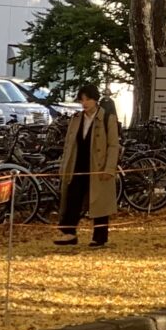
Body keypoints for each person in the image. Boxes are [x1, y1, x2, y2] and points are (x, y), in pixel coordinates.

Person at [54, 86, 120, 247]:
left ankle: (100, 237)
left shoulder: (107, 118)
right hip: (77, 164)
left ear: (95, 99)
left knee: (100, 201)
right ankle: (68, 233)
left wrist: (110, 168)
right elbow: (69, 144)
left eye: (88, 99)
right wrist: (64, 166)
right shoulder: (76, 118)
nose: (84, 103)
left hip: (98, 165)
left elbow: (113, 145)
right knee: (72, 198)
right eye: (82, 99)